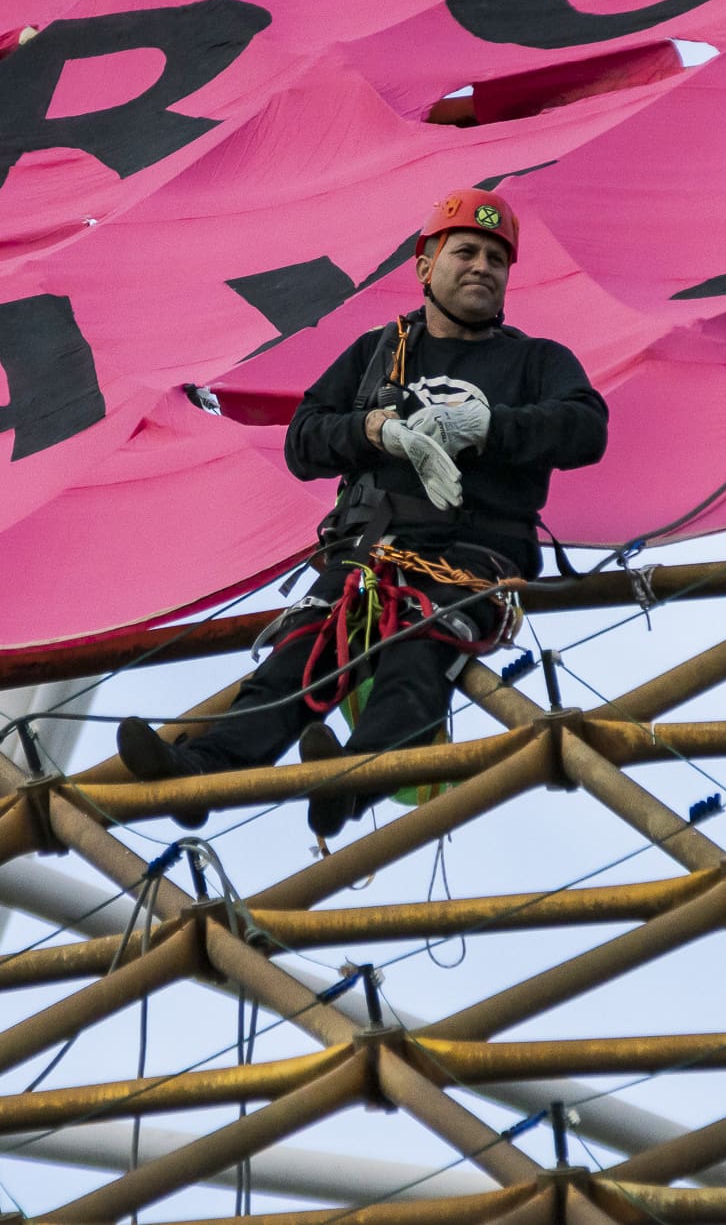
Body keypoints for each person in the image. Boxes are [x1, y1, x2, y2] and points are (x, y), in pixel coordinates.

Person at [117, 187, 608, 838]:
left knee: (416, 655)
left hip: (471, 553)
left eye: (497, 257)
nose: (483, 267)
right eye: (466, 251)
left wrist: (486, 426)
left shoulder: (535, 362)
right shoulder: (378, 353)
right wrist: (373, 429)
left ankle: (353, 782)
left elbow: (584, 428)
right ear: (424, 265)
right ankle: (200, 773)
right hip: (368, 552)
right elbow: (304, 440)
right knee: (292, 665)